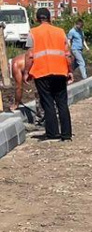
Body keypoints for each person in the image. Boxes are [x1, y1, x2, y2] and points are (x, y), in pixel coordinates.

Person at [23, 8, 73, 142]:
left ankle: (53, 133)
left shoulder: (33, 33)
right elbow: (68, 55)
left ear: (37, 19)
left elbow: (30, 55)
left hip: (41, 72)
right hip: (60, 71)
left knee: (48, 102)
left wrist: (26, 72)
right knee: (62, 103)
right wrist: (69, 71)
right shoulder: (60, 32)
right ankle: (66, 134)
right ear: (50, 18)